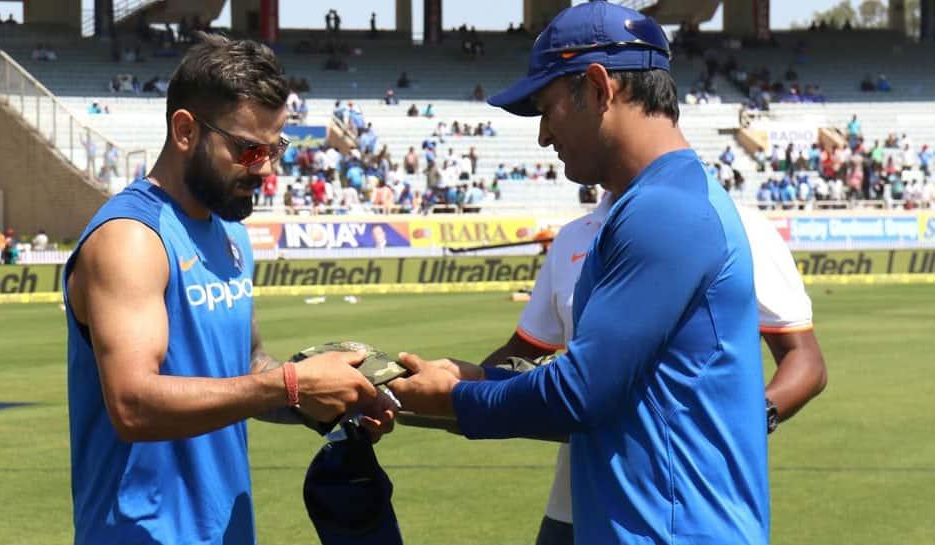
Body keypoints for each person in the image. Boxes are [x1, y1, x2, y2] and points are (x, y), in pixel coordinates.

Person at [388, 3, 769, 544]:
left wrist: (452, 400)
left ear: (596, 88)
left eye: (547, 108)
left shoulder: (665, 210)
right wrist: (478, 380)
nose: (544, 136)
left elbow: (581, 393)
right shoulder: (662, 200)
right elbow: (613, 386)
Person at [62, 33, 394, 545]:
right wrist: (291, 384)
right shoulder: (131, 238)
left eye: (276, 146)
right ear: (185, 130)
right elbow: (132, 404)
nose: (267, 167)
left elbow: (247, 372)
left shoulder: (232, 232)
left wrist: (330, 396)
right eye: (248, 149)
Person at [480, 187, 828, 543]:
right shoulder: (574, 237)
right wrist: (451, 384)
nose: (547, 137)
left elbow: (804, 359)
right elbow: (523, 349)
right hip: (574, 510)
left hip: (696, 511)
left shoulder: (741, 227)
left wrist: (755, 417)